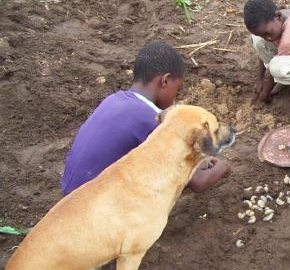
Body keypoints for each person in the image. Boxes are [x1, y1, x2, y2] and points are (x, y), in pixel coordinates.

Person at [61, 42, 231, 196]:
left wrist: (195, 161)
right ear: (165, 81)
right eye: (177, 90)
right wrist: (223, 168)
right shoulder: (153, 120)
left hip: (69, 194)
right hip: (92, 210)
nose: (175, 98)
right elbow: (198, 183)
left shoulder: (114, 100)